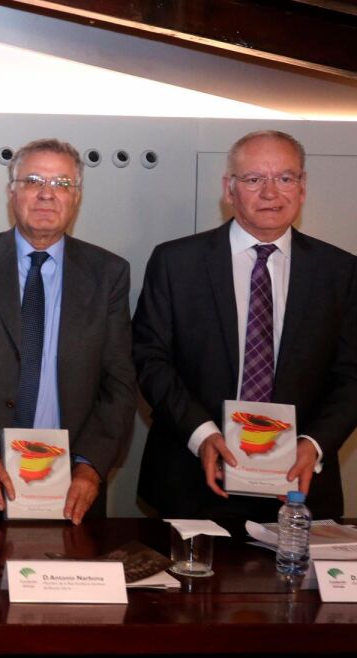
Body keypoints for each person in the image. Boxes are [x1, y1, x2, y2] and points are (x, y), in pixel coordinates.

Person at [133, 130, 357, 520]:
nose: (270, 192)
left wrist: (314, 444)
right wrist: (202, 434)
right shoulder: (176, 263)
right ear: (229, 189)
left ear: (302, 187)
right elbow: (149, 358)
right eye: (254, 179)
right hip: (191, 481)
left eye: (285, 178)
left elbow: (352, 375)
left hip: (298, 488)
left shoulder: (340, 271)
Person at [0, 138, 134, 523]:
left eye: (62, 183)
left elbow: (119, 380)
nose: (47, 194)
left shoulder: (108, 273)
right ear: (11, 191)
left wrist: (90, 466)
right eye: (33, 181)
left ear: (77, 196)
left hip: (69, 484)